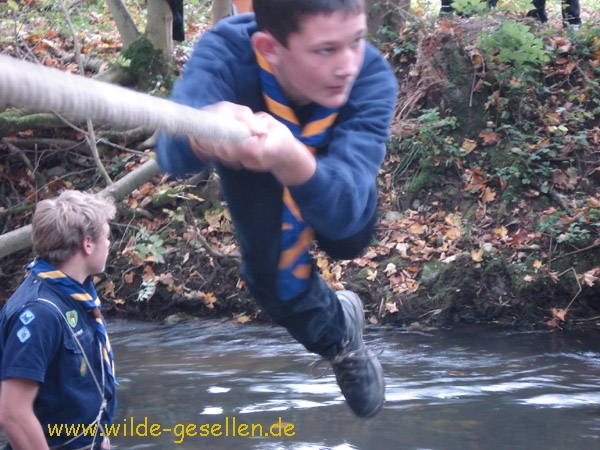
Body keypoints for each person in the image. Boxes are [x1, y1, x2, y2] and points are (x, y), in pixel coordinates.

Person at [156, 0, 397, 418]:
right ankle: (341, 339)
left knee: (346, 240)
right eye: (326, 49)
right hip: (251, 161)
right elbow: (171, 155)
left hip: (340, 184)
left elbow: (345, 213)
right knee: (269, 279)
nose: (347, 66)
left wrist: (292, 159)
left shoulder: (370, 76)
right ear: (269, 48)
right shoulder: (226, 51)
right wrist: (203, 132)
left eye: (356, 41)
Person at [0, 190, 117, 449]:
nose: (109, 243)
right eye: (107, 236)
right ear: (88, 244)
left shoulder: (75, 294)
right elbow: (14, 414)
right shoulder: (38, 313)